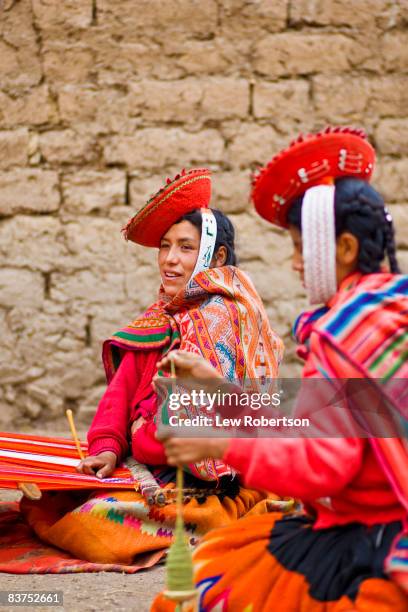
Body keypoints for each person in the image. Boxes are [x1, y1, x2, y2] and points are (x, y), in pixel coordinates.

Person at [153, 130, 408, 610]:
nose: (293, 264)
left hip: (367, 539)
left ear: (346, 249)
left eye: (298, 248)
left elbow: (323, 462)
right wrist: (222, 392)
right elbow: (319, 417)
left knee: (202, 583)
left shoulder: (342, 336)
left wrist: (220, 442)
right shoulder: (387, 312)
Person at [19, 168, 284, 567]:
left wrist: (143, 440)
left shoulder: (228, 319)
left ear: (217, 257)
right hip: (146, 468)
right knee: (53, 496)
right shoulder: (162, 315)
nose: (170, 260)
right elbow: (121, 392)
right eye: (164, 246)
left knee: (95, 524)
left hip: (209, 485)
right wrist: (108, 448)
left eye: (185, 248)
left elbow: (201, 435)